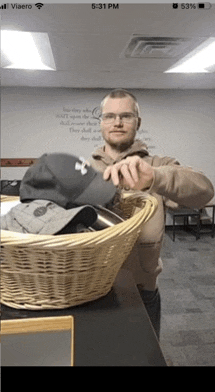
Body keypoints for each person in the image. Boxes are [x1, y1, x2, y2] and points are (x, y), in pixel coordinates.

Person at [89, 89, 214, 339]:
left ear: (138, 122)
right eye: (110, 116)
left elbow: (204, 191)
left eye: (126, 116)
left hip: (143, 294)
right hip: (92, 293)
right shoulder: (86, 170)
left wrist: (155, 178)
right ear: (101, 122)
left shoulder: (157, 165)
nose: (117, 122)